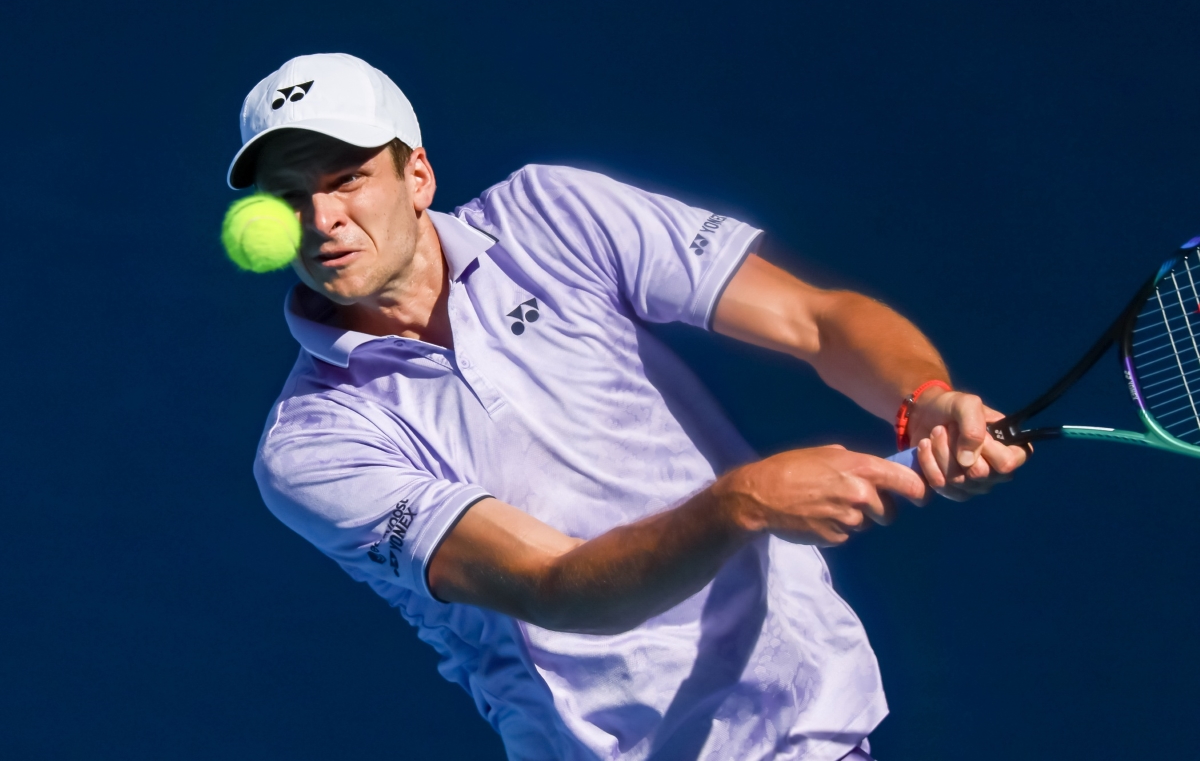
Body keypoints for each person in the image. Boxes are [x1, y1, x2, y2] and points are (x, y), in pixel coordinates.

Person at [236, 53, 1027, 761]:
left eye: (346, 179)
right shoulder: (313, 445)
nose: (323, 219)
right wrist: (742, 503)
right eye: (289, 198)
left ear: (417, 178)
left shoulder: (552, 216)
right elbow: (555, 587)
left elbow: (817, 322)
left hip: (808, 725)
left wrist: (924, 400)